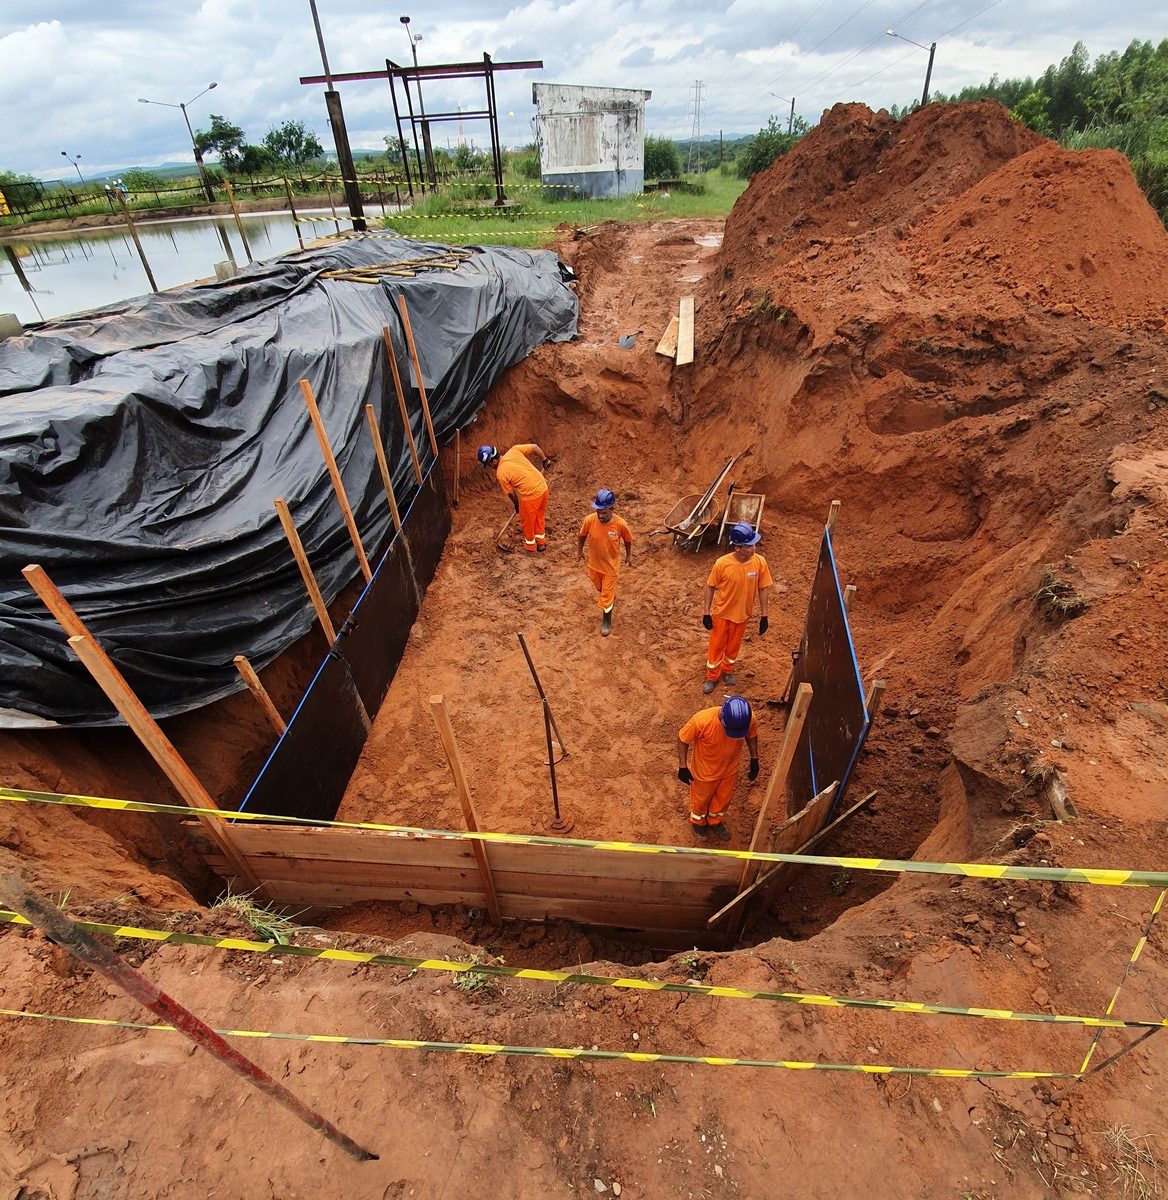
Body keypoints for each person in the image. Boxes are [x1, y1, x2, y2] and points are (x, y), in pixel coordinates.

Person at [701, 522, 773, 694]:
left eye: (754, 544)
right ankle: (712, 676)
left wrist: (764, 615)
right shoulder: (722, 564)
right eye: (750, 545)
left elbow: (763, 588)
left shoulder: (759, 562)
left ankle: (728, 670)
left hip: (743, 615)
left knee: (734, 646)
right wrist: (706, 612)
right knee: (716, 646)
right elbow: (710, 586)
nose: (754, 548)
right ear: (738, 548)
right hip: (722, 614)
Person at [677, 695, 760, 840]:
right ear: (722, 717)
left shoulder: (748, 719)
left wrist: (754, 759)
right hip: (705, 773)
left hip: (730, 770)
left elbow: (752, 736)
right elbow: (682, 739)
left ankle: (715, 821)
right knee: (701, 799)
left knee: (724, 798)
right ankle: (698, 822)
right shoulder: (701, 721)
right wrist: (683, 766)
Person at [577, 489, 633, 636]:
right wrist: (579, 551)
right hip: (594, 565)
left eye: (604, 512)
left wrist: (629, 555)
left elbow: (628, 540)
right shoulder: (589, 520)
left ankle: (606, 621)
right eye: (598, 512)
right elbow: (582, 535)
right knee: (600, 588)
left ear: (612, 508)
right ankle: (609, 594)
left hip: (610, 567)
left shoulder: (620, 524)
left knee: (606, 596)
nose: (601, 515)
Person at [477, 443, 551, 553]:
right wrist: (545, 460)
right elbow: (535, 447)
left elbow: (511, 494)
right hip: (543, 488)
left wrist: (517, 505)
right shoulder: (514, 450)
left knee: (528, 523)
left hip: (531, 496)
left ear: (493, 461)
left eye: (489, 465)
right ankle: (540, 544)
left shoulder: (501, 473)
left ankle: (530, 548)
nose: (490, 467)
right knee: (538, 517)